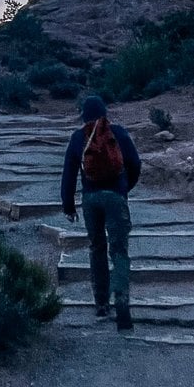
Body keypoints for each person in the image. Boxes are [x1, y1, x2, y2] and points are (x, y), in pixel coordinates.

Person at [60, 95, 141, 331]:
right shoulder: (118, 133)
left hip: (91, 200)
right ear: (105, 112)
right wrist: (124, 188)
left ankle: (101, 303)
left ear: (83, 115)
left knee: (96, 248)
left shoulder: (78, 138)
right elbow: (135, 163)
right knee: (119, 251)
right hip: (116, 197)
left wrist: (68, 205)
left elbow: (68, 175)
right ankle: (122, 299)